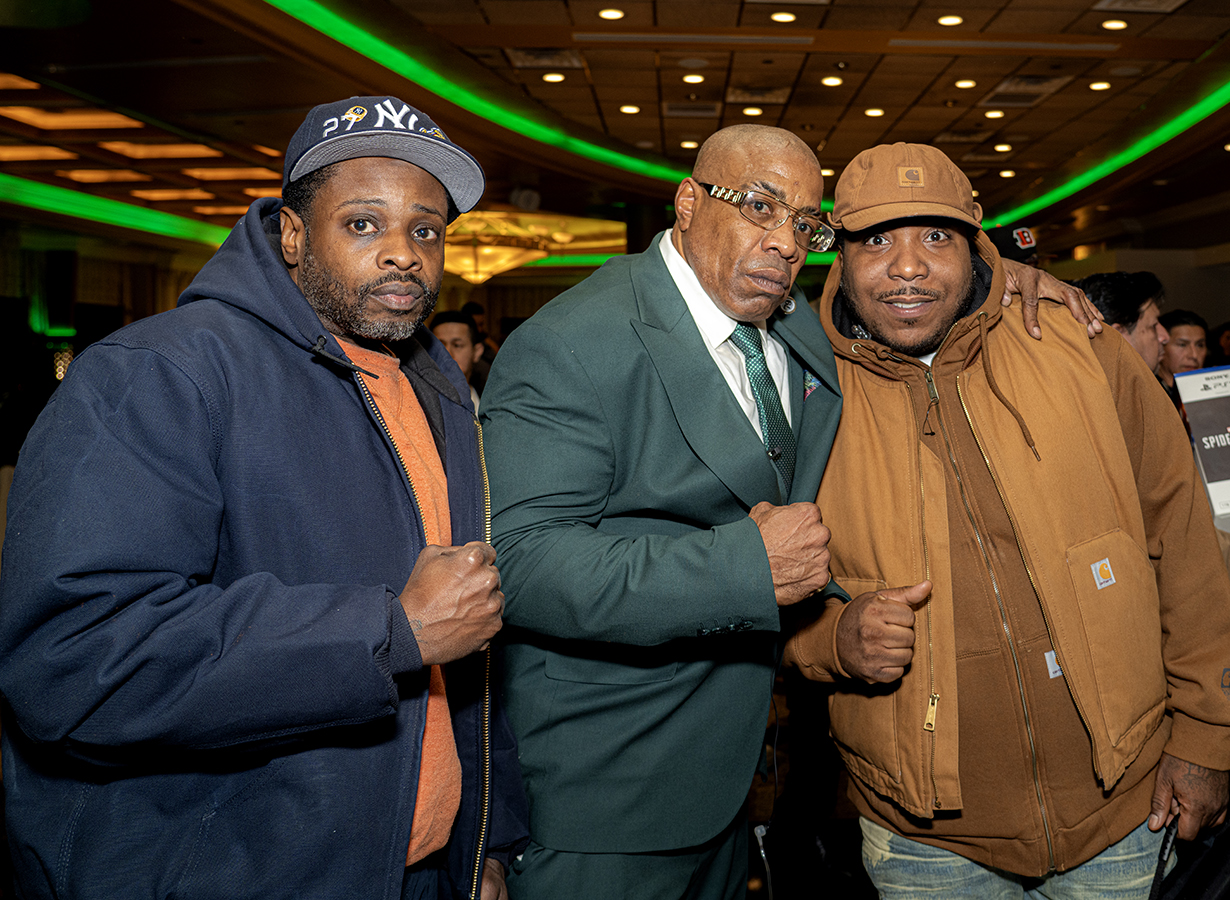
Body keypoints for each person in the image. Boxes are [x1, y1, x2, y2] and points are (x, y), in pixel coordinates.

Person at [479, 124, 1099, 900]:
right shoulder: (574, 341)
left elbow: (897, 302)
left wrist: (1005, 281)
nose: (785, 242)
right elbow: (521, 562)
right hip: (606, 783)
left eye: (807, 225)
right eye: (759, 207)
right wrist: (746, 565)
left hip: (730, 775)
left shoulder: (792, 320)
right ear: (688, 202)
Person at [0, 96, 528, 900]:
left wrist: (486, 841)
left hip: (420, 871)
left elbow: (471, 640)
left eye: (425, 230)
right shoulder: (161, 373)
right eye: (362, 223)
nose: (402, 253)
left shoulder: (435, 386)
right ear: (292, 234)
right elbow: (74, 659)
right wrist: (388, 630)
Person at [785, 142, 1230, 898]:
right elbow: (752, 590)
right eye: (877, 240)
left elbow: (1182, 536)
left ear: (975, 241)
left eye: (936, 236)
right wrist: (831, 639)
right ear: (838, 251)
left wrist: (1205, 735)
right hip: (925, 840)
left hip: (1123, 811)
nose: (908, 266)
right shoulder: (797, 386)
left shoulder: (1077, 342)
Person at [1080, 272, 1230, 603]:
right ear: (1116, 335)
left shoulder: (1133, 399)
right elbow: (1170, 530)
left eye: (1199, 344)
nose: (1164, 337)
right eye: (1153, 326)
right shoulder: (1121, 415)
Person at [430, 309, 487, 413]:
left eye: (457, 345)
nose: (447, 354)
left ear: (477, 352)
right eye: (440, 346)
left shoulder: (490, 402)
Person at [1157, 308, 1210, 397]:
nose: (1194, 355)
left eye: (1200, 345)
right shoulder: (1146, 394)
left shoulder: (1210, 393)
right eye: (1182, 345)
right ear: (1160, 347)